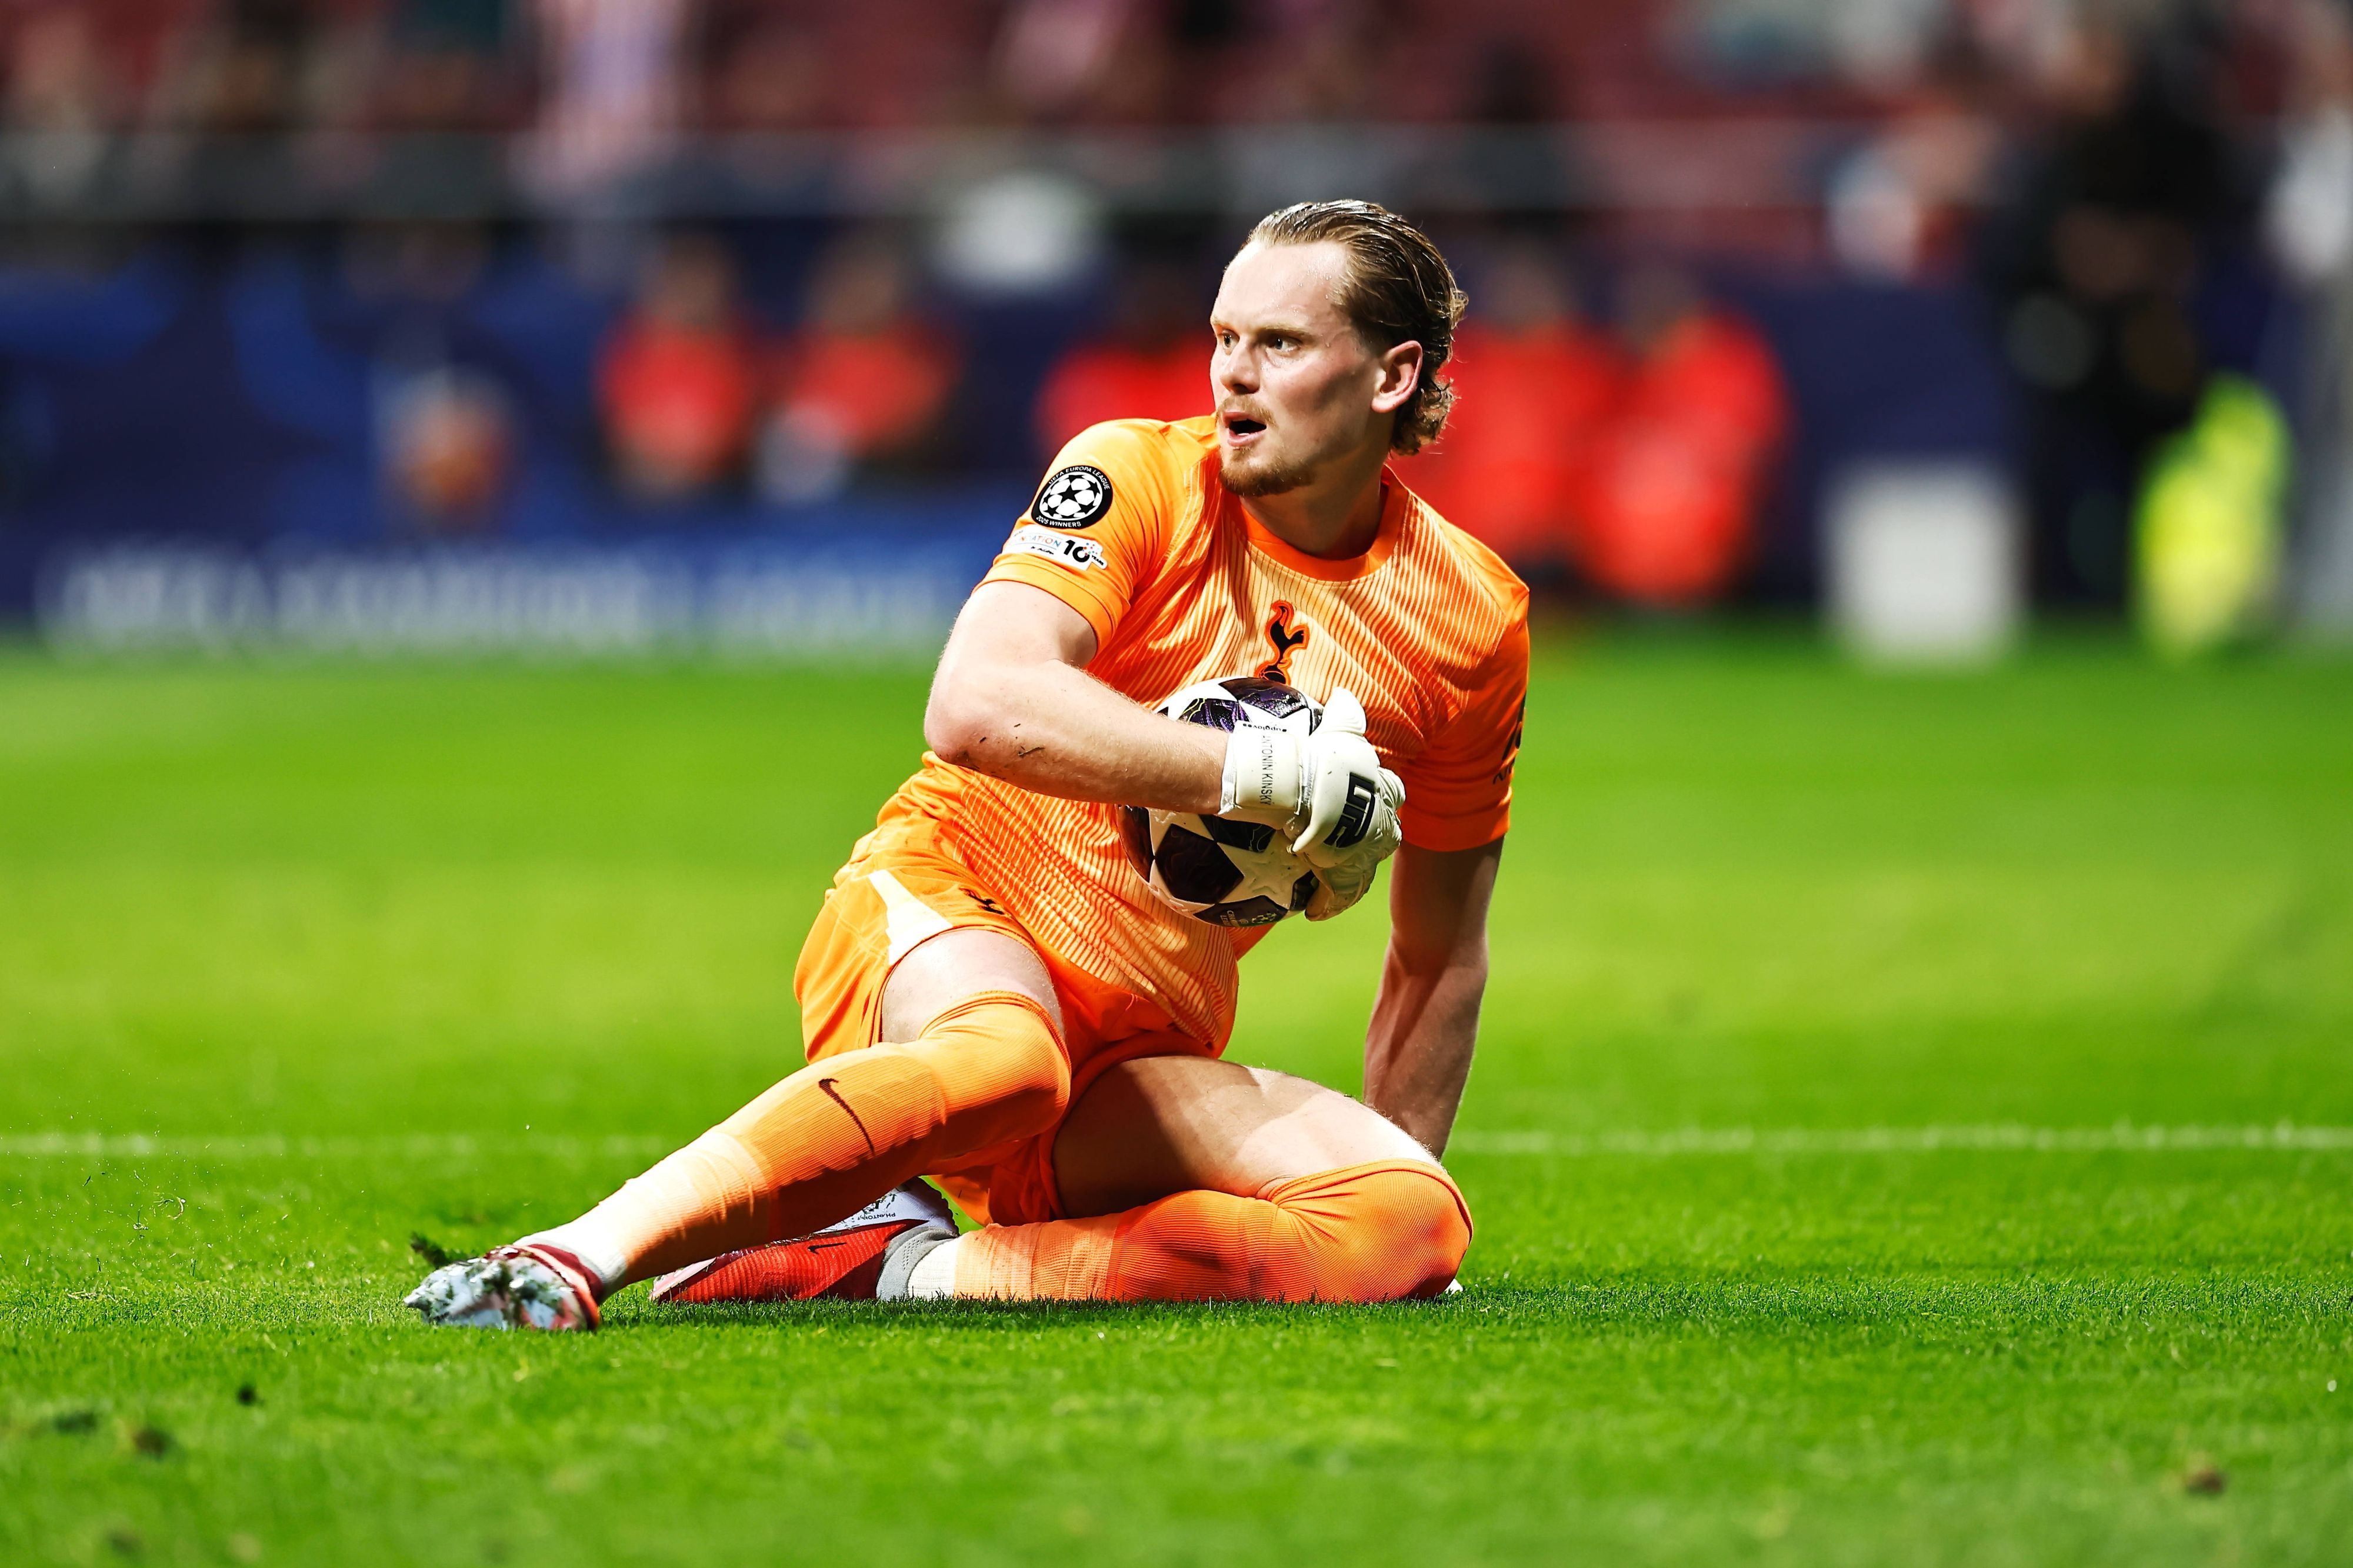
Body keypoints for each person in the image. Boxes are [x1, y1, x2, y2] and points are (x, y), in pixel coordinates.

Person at [406, 199, 1527, 1328]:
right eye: (1224, 338)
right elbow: (975, 702)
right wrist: (1253, 777)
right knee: (1007, 1060)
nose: (1231, 375)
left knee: (1407, 1224)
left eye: (1278, 345)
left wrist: (1394, 1195)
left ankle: (897, 1267)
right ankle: (571, 1255)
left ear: (1392, 377)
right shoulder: (1138, 471)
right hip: (954, 898)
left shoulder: (1468, 619)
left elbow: (1439, 958)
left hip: (1139, 1040)